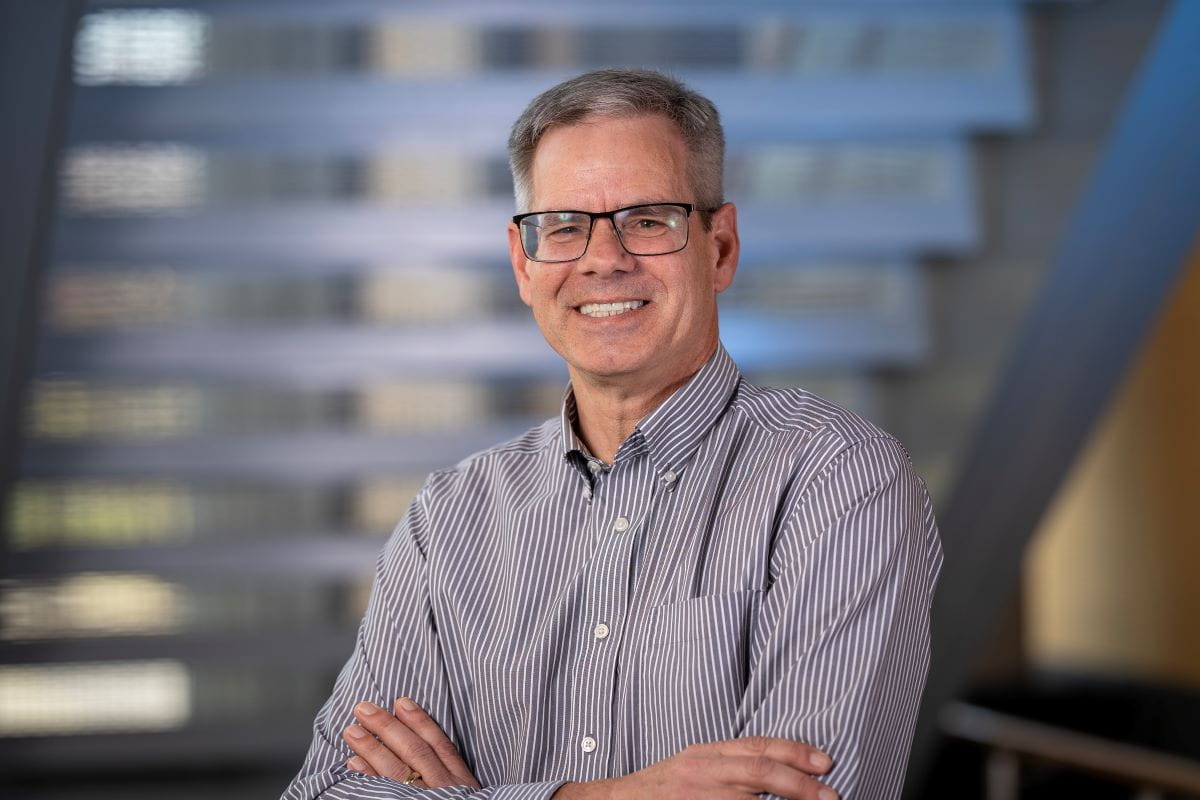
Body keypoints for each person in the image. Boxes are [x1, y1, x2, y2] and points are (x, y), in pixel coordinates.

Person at [282, 68, 942, 800]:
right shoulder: (450, 518)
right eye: (564, 227)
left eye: (648, 220)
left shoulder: (839, 479)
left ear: (720, 247)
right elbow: (322, 792)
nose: (603, 259)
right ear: (523, 263)